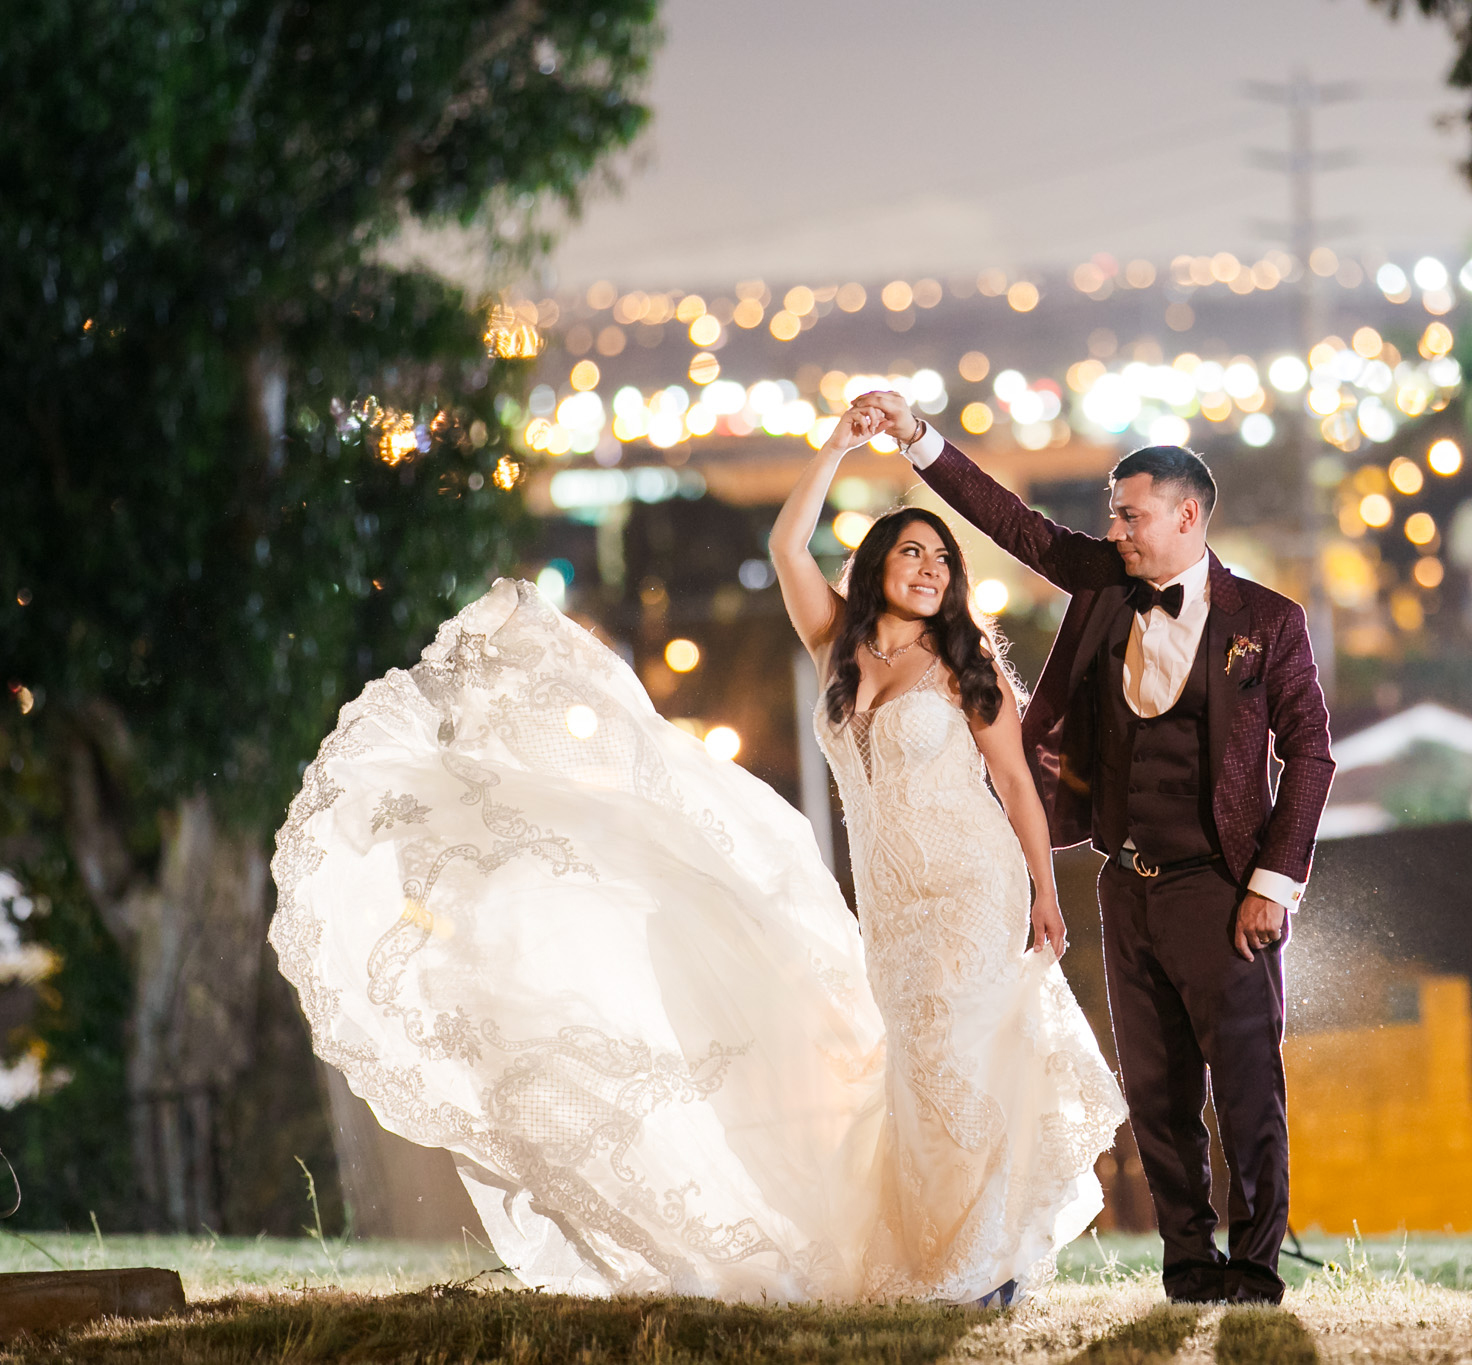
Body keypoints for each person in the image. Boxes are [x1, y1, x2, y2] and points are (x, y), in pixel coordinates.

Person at [269, 405, 1122, 1305]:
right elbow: (791, 544)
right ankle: (942, 1251)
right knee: (916, 1064)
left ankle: (983, 1264)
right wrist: (835, 447)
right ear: (877, 567)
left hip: (972, 884)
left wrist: (1042, 891)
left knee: (958, 1055)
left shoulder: (962, 659)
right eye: (913, 552)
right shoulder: (835, 641)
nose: (931, 568)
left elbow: (1018, 786)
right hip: (891, 904)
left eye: (943, 559)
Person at [849, 389, 1336, 1305]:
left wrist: (1274, 882)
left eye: (1130, 513)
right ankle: (1190, 1267)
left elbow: (1311, 751)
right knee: (1156, 1097)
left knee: (1245, 1092)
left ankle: (1256, 1269)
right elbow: (1014, 523)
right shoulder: (1107, 581)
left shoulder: (1268, 622)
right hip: (1128, 884)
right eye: (1112, 513)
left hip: (1227, 889)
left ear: (1187, 516)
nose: (1113, 529)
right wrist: (918, 437)